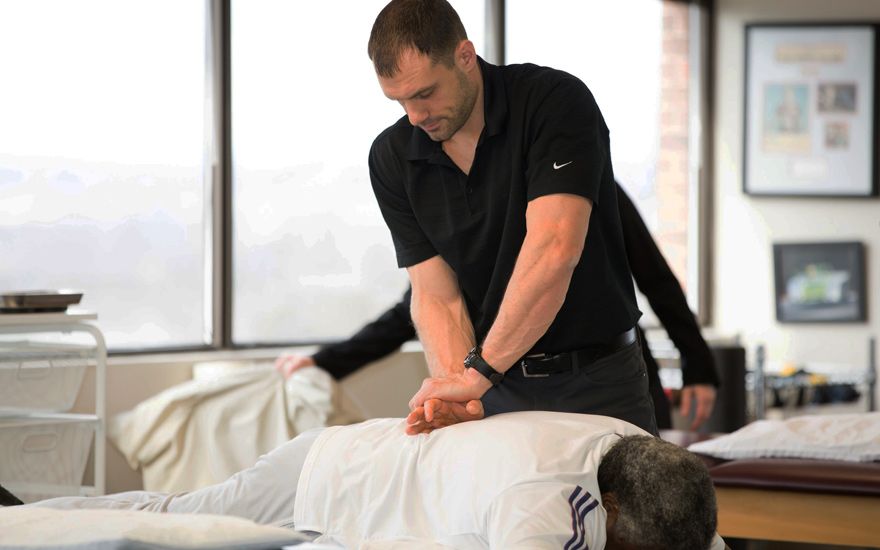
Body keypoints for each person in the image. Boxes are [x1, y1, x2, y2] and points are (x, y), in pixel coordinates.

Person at [364, 0, 655, 435]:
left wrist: (475, 374)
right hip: (495, 388)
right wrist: (458, 391)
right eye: (400, 100)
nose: (415, 115)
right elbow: (436, 297)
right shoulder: (392, 157)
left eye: (424, 93)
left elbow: (555, 250)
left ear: (465, 57)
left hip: (598, 380)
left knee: (625, 506)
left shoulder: (553, 102)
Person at [277, 183, 720, 431]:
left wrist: (699, 364)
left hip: (614, 374)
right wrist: (322, 362)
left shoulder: (578, 178)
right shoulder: (467, 210)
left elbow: (655, 277)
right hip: (508, 386)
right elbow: (418, 305)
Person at [14, 410, 727, 550]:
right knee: (175, 518)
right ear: (605, 505)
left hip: (373, 465)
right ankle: (27, 515)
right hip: (328, 474)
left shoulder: (641, 453)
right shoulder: (540, 505)